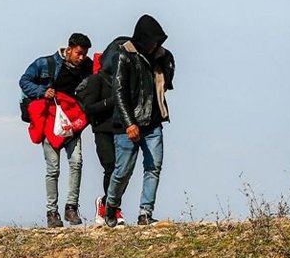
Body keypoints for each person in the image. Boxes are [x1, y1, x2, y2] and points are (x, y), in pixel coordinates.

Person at [102, 15, 175, 227]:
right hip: (128, 125)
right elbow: (118, 92)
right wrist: (129, 123)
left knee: (154, 167)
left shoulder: (161, 56)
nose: (156, 45)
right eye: (153, 40)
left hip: (153, 123)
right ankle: (111, 205)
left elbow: (166, 83)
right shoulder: (123, 56)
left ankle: (145, 213)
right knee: (123, 171)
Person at [20, 33, 93, 227]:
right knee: (53, 169)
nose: (81, 58)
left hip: (72, 122)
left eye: (84, 54)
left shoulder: (87, 67)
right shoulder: (45, 64)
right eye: (78, 53)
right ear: (68, 49)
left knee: (76, 163)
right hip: (50, 123)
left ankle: (71, 208)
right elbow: (24, 81)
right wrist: (41, 92)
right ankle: (52, 213)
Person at [77, 53, 125, 226]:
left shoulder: (122, 80)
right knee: (111, 167)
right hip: (102, 130)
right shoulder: (96, 81)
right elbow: (89, 107)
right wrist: (114, 101)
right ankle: (111, 207)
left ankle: (108, 203)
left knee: (122, 171)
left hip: (122, 130)